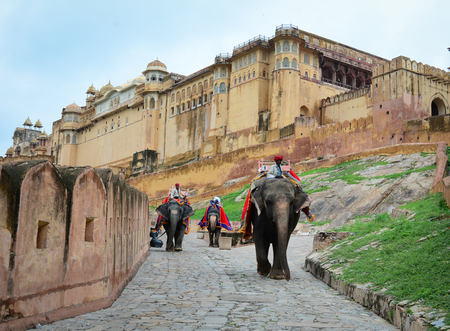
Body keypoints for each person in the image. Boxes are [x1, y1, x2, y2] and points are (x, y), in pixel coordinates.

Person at [267, 155, 315, 222]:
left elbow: (281, 174)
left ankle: (306, 210)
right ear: (276, 161)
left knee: (295, 186)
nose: (280, 162)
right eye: (279, 160)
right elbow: (269, 174)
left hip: (281, 179)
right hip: (274, 180)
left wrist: (284, 178)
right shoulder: (272, 167)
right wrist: (276, 177)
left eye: (281, 160)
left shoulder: (279, 167)